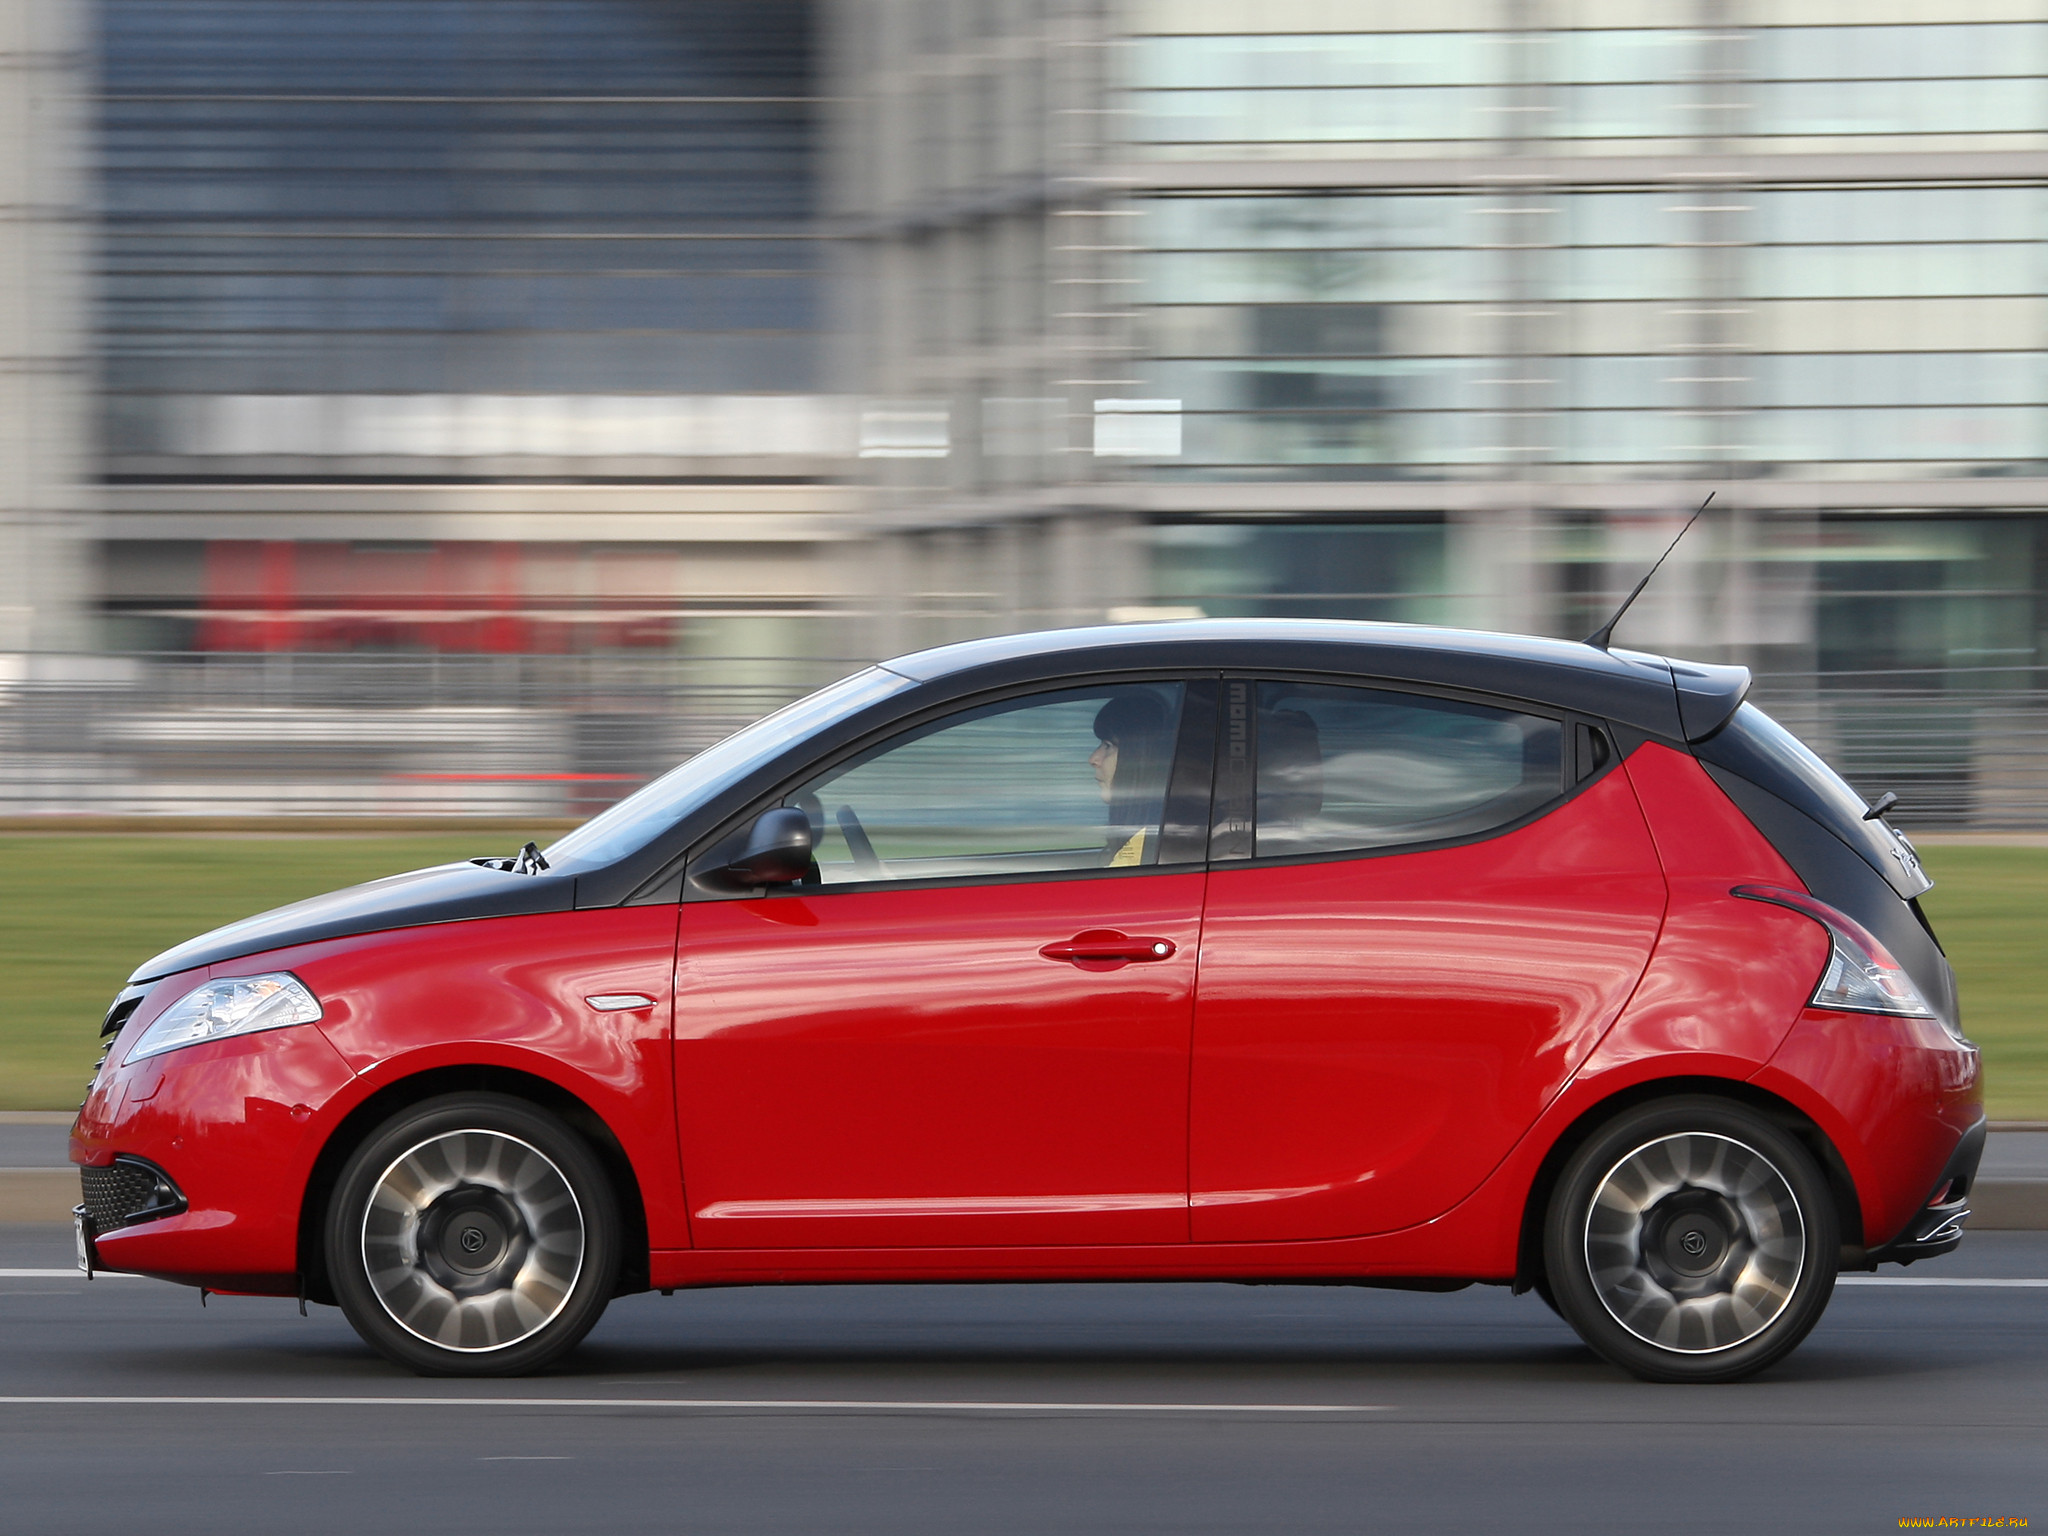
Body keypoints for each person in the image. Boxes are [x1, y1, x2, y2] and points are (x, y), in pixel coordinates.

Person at [1089, 691, 1173, 867]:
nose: (1093, 759)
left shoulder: (1151, 845)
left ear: (1139, 757)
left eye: (1107, 746)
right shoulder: (1143, 837)